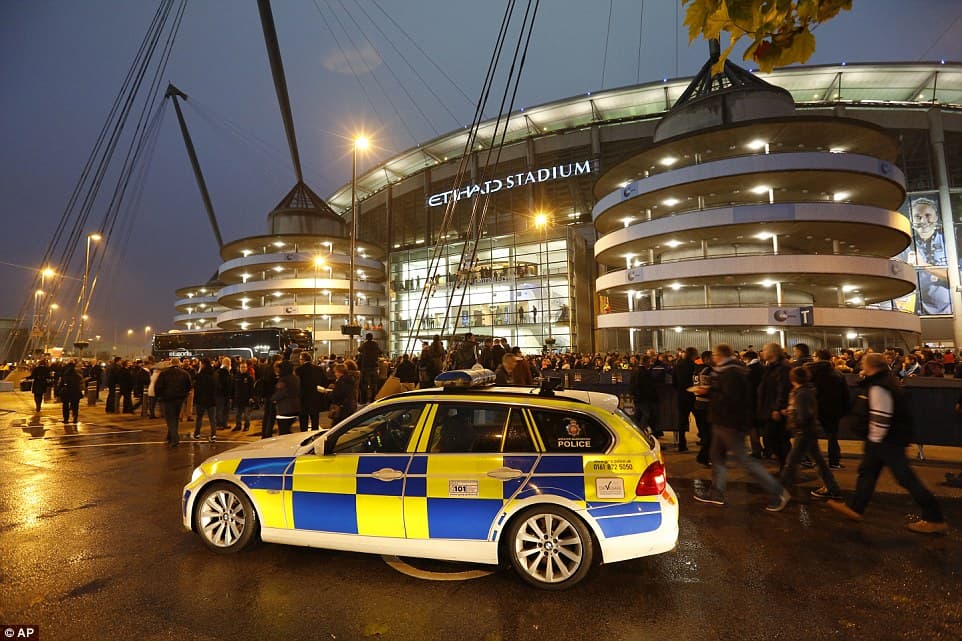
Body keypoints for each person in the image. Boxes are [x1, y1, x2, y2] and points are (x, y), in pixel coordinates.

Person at [828, 353, 948, 534]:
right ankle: (855, 509)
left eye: (863, 365)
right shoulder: (886, 381)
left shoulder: (879, 386)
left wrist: (874, 440)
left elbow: (881, 417)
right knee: (867, 473)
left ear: (870, 367)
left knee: (905, 478)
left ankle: (934, 518)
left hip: (886, 441)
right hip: (886, 439)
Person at [694, 344, 790, 512]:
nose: (713, 357)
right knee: (717, 457)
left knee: (745, 461)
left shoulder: (731, 372)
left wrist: (709, 391)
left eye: (716, 354)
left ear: (722, 355)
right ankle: (716, 493)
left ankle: (779, 492)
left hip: (729, 424)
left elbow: (732, 399)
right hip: (721, 422)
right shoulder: (726, 371)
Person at [778, 367, 844, 500]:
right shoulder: (803, 391)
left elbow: (805, 414)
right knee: (817, 461)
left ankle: (780, 491)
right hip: (807, 431)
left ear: (793, 379)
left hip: (803, 431)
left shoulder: (802, 393)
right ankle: (833, 488)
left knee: (792, 462)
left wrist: (794, 417)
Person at [808, 349, 850, 469]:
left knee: (810, 436)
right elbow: (845, 394)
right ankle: (834, 461)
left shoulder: (809, 372)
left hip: (814, 409)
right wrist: (844, 410)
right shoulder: (837, 374)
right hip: (832, 410)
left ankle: (811, 460)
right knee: (832, 436)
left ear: (818, 358)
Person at [757, 343, 792, 470]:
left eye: (765, 350)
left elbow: (783, 389)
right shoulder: (771, 367)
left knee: (775, 438)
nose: (762, 352)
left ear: (772, 353)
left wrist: (778, 408)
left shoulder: (783, 368)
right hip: (769, 408)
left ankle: (787, 466)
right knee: (775, 439)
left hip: (776, 410)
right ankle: (786, 465)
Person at [154, 358, 192, 447]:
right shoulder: (185, 373)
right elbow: (189, 386)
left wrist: (159, 396)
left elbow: (158, 386)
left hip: (167, 399)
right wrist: (184, 396)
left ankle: (174, 439)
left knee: (170, 419)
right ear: (179, 363)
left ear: (170, 363)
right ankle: (170, 436)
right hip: (179, 399)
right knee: (175, 418)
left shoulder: (164, 373)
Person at [673, 347, 699, 453]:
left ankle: (682, 444)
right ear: (693, 355)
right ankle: (704, 439)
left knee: (682, 421)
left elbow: (674, 382)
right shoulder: (695, 366)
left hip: (681, 396)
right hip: (693, 395)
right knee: (700, 419)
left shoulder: (677, 366)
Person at [296, 352, 324, 431]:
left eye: (300, 359)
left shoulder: (299, 370)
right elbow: (323, 381)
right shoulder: (318, 369)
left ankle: (304, 436)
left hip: (303, 398)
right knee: (315, 420)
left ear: (303, 360)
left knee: (303, 421)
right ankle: (314, 435)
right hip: (315, 397)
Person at [272, 360, 300, 436]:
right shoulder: (296, 378)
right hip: (295, 408)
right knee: (286, 430)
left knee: (283, 432)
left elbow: (281, 393)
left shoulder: (283, 380)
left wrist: (272, 398)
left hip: (284, 409)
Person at [192, 358, 217, 442]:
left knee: (199, 418)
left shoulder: (200, 376)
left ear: (203, 364)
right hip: (211, 400)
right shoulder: (214, 375)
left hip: (201, 400)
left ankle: (197, 434)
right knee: (212, 419)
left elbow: (196, 387)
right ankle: (213, 435)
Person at [357, 333, 382, 404]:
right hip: (374, 367)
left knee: (364, 384)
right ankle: (374, 399)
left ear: (366, 338)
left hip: (366, 367)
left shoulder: (364, 345)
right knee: (374, 385)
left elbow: (359, 349)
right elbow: (380, 352)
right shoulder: (375, 345)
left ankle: (364, 400)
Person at [231, 361, 254, 432]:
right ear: (239, 368)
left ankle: (246, 426)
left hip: (247, 399)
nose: (243, 369)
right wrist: (232, 397)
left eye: (244, 367)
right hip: (238, 398)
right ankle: (238, 425)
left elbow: (252, 389)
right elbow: (233, 388)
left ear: (247, 368)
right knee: (238, 414)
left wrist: (251, 397)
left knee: (247, 415)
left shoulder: (249, 378)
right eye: (242, 367)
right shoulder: (236, 377)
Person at [213, 357, 232, 429]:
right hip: (221, 394)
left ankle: (224, 423)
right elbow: (220, 384)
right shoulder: (220, 372)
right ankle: (219, 424)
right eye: (228, 363)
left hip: (225, 394)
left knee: (225, 410)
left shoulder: (227, 372)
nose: (230, 364)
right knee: (220, 410)